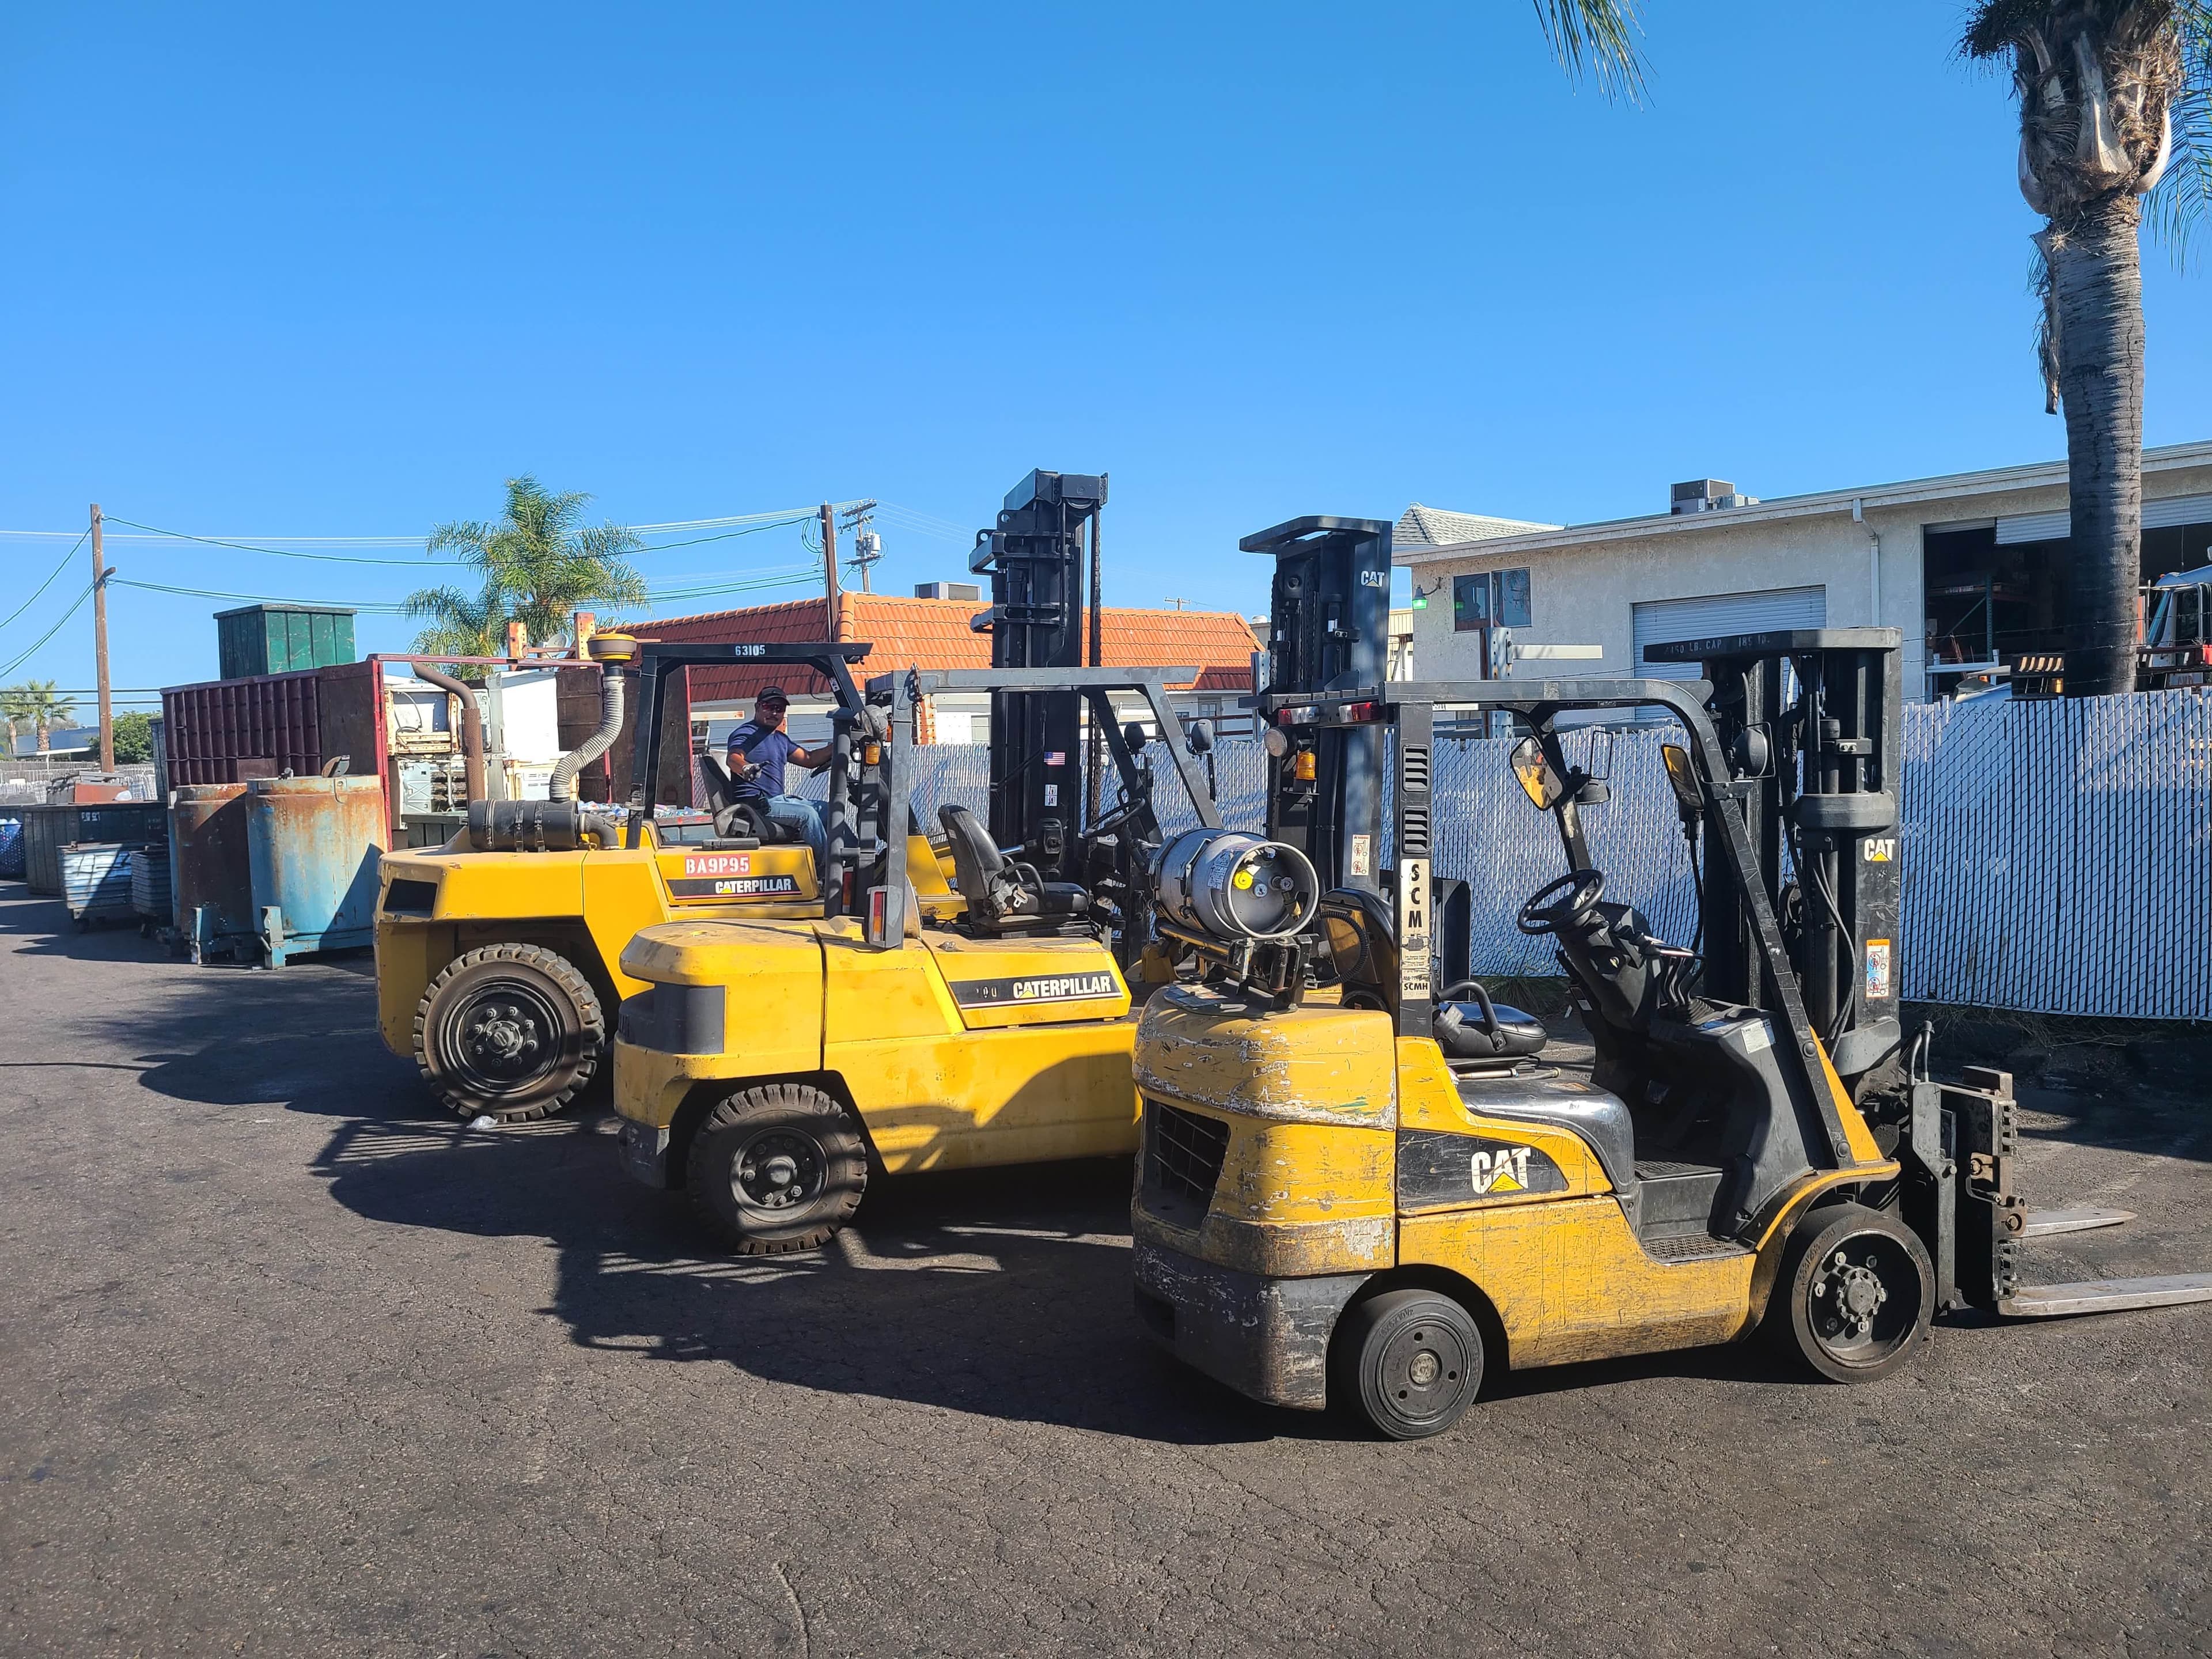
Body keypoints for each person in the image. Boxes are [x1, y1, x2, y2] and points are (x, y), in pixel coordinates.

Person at [724, 687, 831, 861]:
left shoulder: (780, 739)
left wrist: (840, 744)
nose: (774, 713)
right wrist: (745, 768)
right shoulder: (746, 734)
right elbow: (734, 758)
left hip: (779, 801)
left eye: (779, 709)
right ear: (757, 707)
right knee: (807, 815)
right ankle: (827, 867)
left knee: (830, 810)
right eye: (769, 707)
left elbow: (810, 759)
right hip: (756, 805)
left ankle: (851, 862)